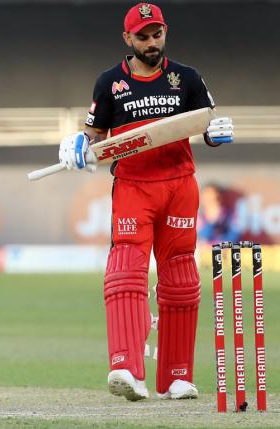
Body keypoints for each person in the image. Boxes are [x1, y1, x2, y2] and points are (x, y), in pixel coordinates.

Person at [58, 3, 234, 401]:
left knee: (181, 277)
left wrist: (216, 133)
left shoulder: (186, 78)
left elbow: (206, 125)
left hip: (179, 187)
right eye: (142, 36)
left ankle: (176, 376)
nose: (151, 43)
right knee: (125, 271)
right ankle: (126, 367)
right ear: (128, 39)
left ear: (164, 33)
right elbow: (95, 136)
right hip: (134, 186)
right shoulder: (109, 83)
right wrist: (80, 145)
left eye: (156, 35)